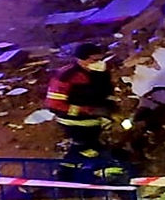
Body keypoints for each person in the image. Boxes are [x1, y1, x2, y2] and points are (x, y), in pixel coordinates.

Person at [45, 43, 122, 182]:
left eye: (100, 59)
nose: (98, 63)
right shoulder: (66, 76)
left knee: (85, 145)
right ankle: (96, 174)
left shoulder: (101, 73)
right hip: (73, 121)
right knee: (85, 146)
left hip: (95, 119)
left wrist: (111, 109)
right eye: (94, 60)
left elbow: (106, 92)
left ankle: (66, 173)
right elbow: (54, 104)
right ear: (81, 59)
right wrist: (87, 110)